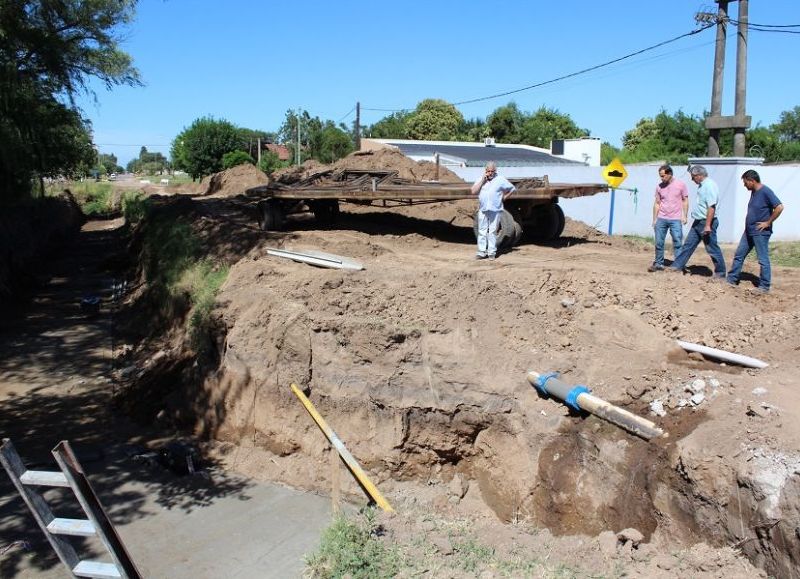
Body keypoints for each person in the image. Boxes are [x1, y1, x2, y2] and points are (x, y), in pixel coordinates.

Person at [726, 170, 784, 293]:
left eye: (745, 182)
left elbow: (779, 207)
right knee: (739, 255)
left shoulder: (765, 191)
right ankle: (731, 279)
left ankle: (764, 286)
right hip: (749, 231)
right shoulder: (754, 192)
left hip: (760, 232)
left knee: (763, 259)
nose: (744, 185)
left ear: (751, 180)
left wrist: (768, 222)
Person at [667, 165, 726, 277]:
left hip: (706, 222)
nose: (692, 179)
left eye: (693, 177)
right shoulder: (703, 185)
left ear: (699, 175)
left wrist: (708, 225)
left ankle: (721, 273)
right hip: (698, 222)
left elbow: (711, 207)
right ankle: (676, 266)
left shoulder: (709, 186)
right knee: (688, 245)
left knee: (712, 248)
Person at [471, 162, 515, 260]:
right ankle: (481, 252)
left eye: (492, 171)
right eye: (488, 171)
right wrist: (483, 181)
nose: (490, 173)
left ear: (495, 171)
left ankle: (491, 252)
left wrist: (505, 197)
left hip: (495, 209)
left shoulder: (500, 179)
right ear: (485, 170)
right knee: (482, 231)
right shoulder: (480, 179)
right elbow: (473, 191)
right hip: (483, 209)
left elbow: (512, 188)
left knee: (492, 231)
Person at [648, 164, 688, 271]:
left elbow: (685, 200)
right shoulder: (659, 187)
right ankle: (658, 263)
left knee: (678, 242)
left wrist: (685, 216)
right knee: (659, 242)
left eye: (663, 175)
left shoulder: (681, 185)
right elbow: (657, 203)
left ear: (670, 174)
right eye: (660, 176)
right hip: (661, 218)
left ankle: (678, 265)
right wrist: (654, 219)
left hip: (675, 219)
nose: (661, 178)